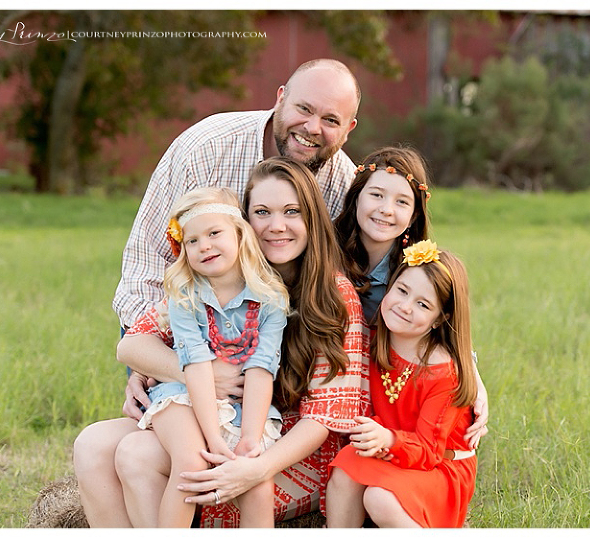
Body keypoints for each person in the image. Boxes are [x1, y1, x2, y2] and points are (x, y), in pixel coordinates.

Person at [74, 157, 370, 527]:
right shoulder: (220, 273)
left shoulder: (332, 295)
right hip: (213, 415)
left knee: (137, 453)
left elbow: (325, 417)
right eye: (262, 212)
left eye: (291, 211)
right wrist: (192, 373)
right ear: (244, 223)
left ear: (312, 217)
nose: (276, 226)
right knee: (91, 444)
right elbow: (132, 345)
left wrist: (256, 467)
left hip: (285, 446)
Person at [113, 58, 360, 331]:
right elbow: (147, 265)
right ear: (280, 99)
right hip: (184, 329)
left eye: (331, 120)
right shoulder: (205, 150)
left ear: (347, 130)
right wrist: (152, 350)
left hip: (281, 340)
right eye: (304, 108)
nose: (313, 127)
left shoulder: (346, 187)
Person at [130, 187, 289, 526]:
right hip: (183, 396)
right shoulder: (185, 297)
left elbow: (262, 369)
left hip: (243, 407)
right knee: (191, 463)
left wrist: (249, 437)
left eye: (214, 233)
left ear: (240, 234)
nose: (204, 246)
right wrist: (214, 440)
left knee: (258, 482)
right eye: (192, 241)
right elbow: (196, 367)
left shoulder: (271, 299)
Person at [326, 240, 477, 528]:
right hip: (392, 454)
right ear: (391, 286)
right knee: (346, 465)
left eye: (422, 304)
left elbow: (430, 450)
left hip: (440, 465)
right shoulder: (372, 339)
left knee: (379, 498)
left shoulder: (442, 371)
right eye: (402, 291)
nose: (405, 307)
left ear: (439, 319)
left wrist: (390, 439)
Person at [333, 146, 431, 323]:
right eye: (377, 195)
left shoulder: (416, 274)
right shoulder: (324, 251)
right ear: (356, 199)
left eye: (402, 201)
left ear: (413, 217)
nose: (386, 210)